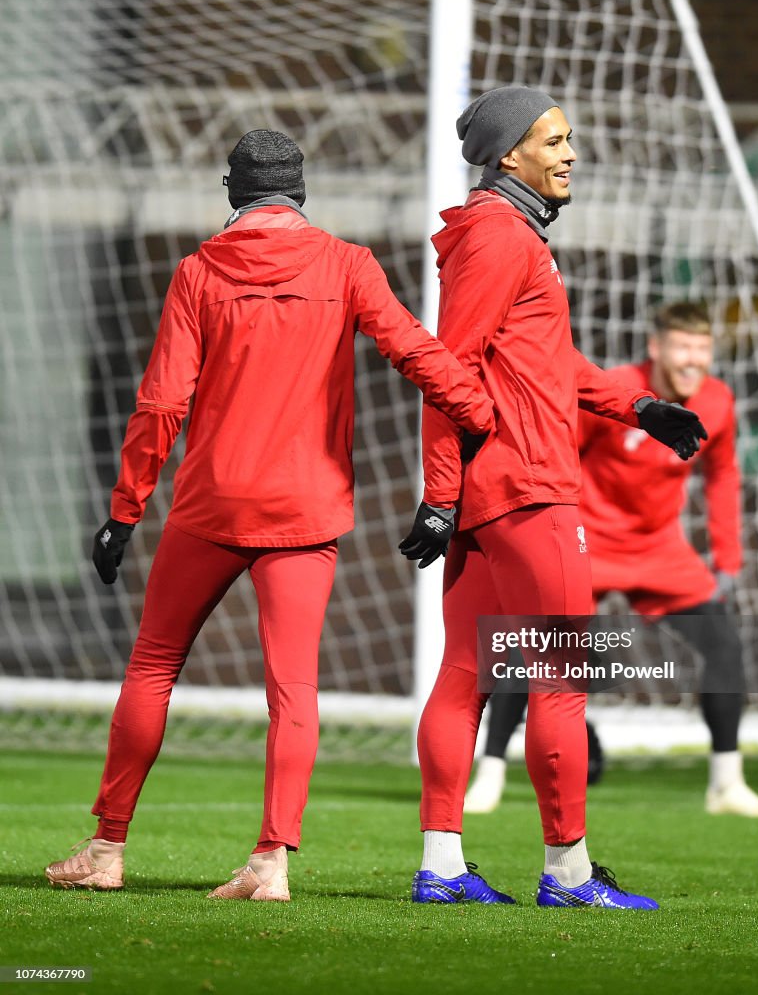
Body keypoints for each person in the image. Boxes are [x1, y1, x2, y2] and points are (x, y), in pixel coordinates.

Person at [44, 129, 496, 900]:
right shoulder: (348, 264)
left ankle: (108, 848)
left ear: (232, 191)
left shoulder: (197, 272)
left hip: (210, 503)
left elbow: (161, 401)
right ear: (301, 191)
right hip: (306, 510)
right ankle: (270, 861)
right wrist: (477, 411)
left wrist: (125, 511)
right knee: (293, 690)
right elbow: (417, 353)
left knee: (153, 667)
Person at [398, 87, 707, 909]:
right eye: (554, 140)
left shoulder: (497, 235)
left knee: (463, 675)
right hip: (528, 490)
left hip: (485, 494)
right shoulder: (502, 240)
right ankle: (568, 875)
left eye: (568, 139)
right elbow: (445, 366)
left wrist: (638, 406)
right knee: (561, 679)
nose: (570, 153)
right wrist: (435, 493)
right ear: (509, 155)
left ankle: (441, 865)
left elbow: (545, 364)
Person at [463, 302, 758, 821]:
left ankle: (727, 783)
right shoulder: (619, 390)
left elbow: (723, 476)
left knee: (724, 643)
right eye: (683, 347)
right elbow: (561, 448)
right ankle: (491, 773)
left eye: (702, 349)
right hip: (589, 538)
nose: (693, 359)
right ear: (657, 347)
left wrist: (728, 556)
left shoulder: (719, 402)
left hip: (660, 547)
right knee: (537, 646)